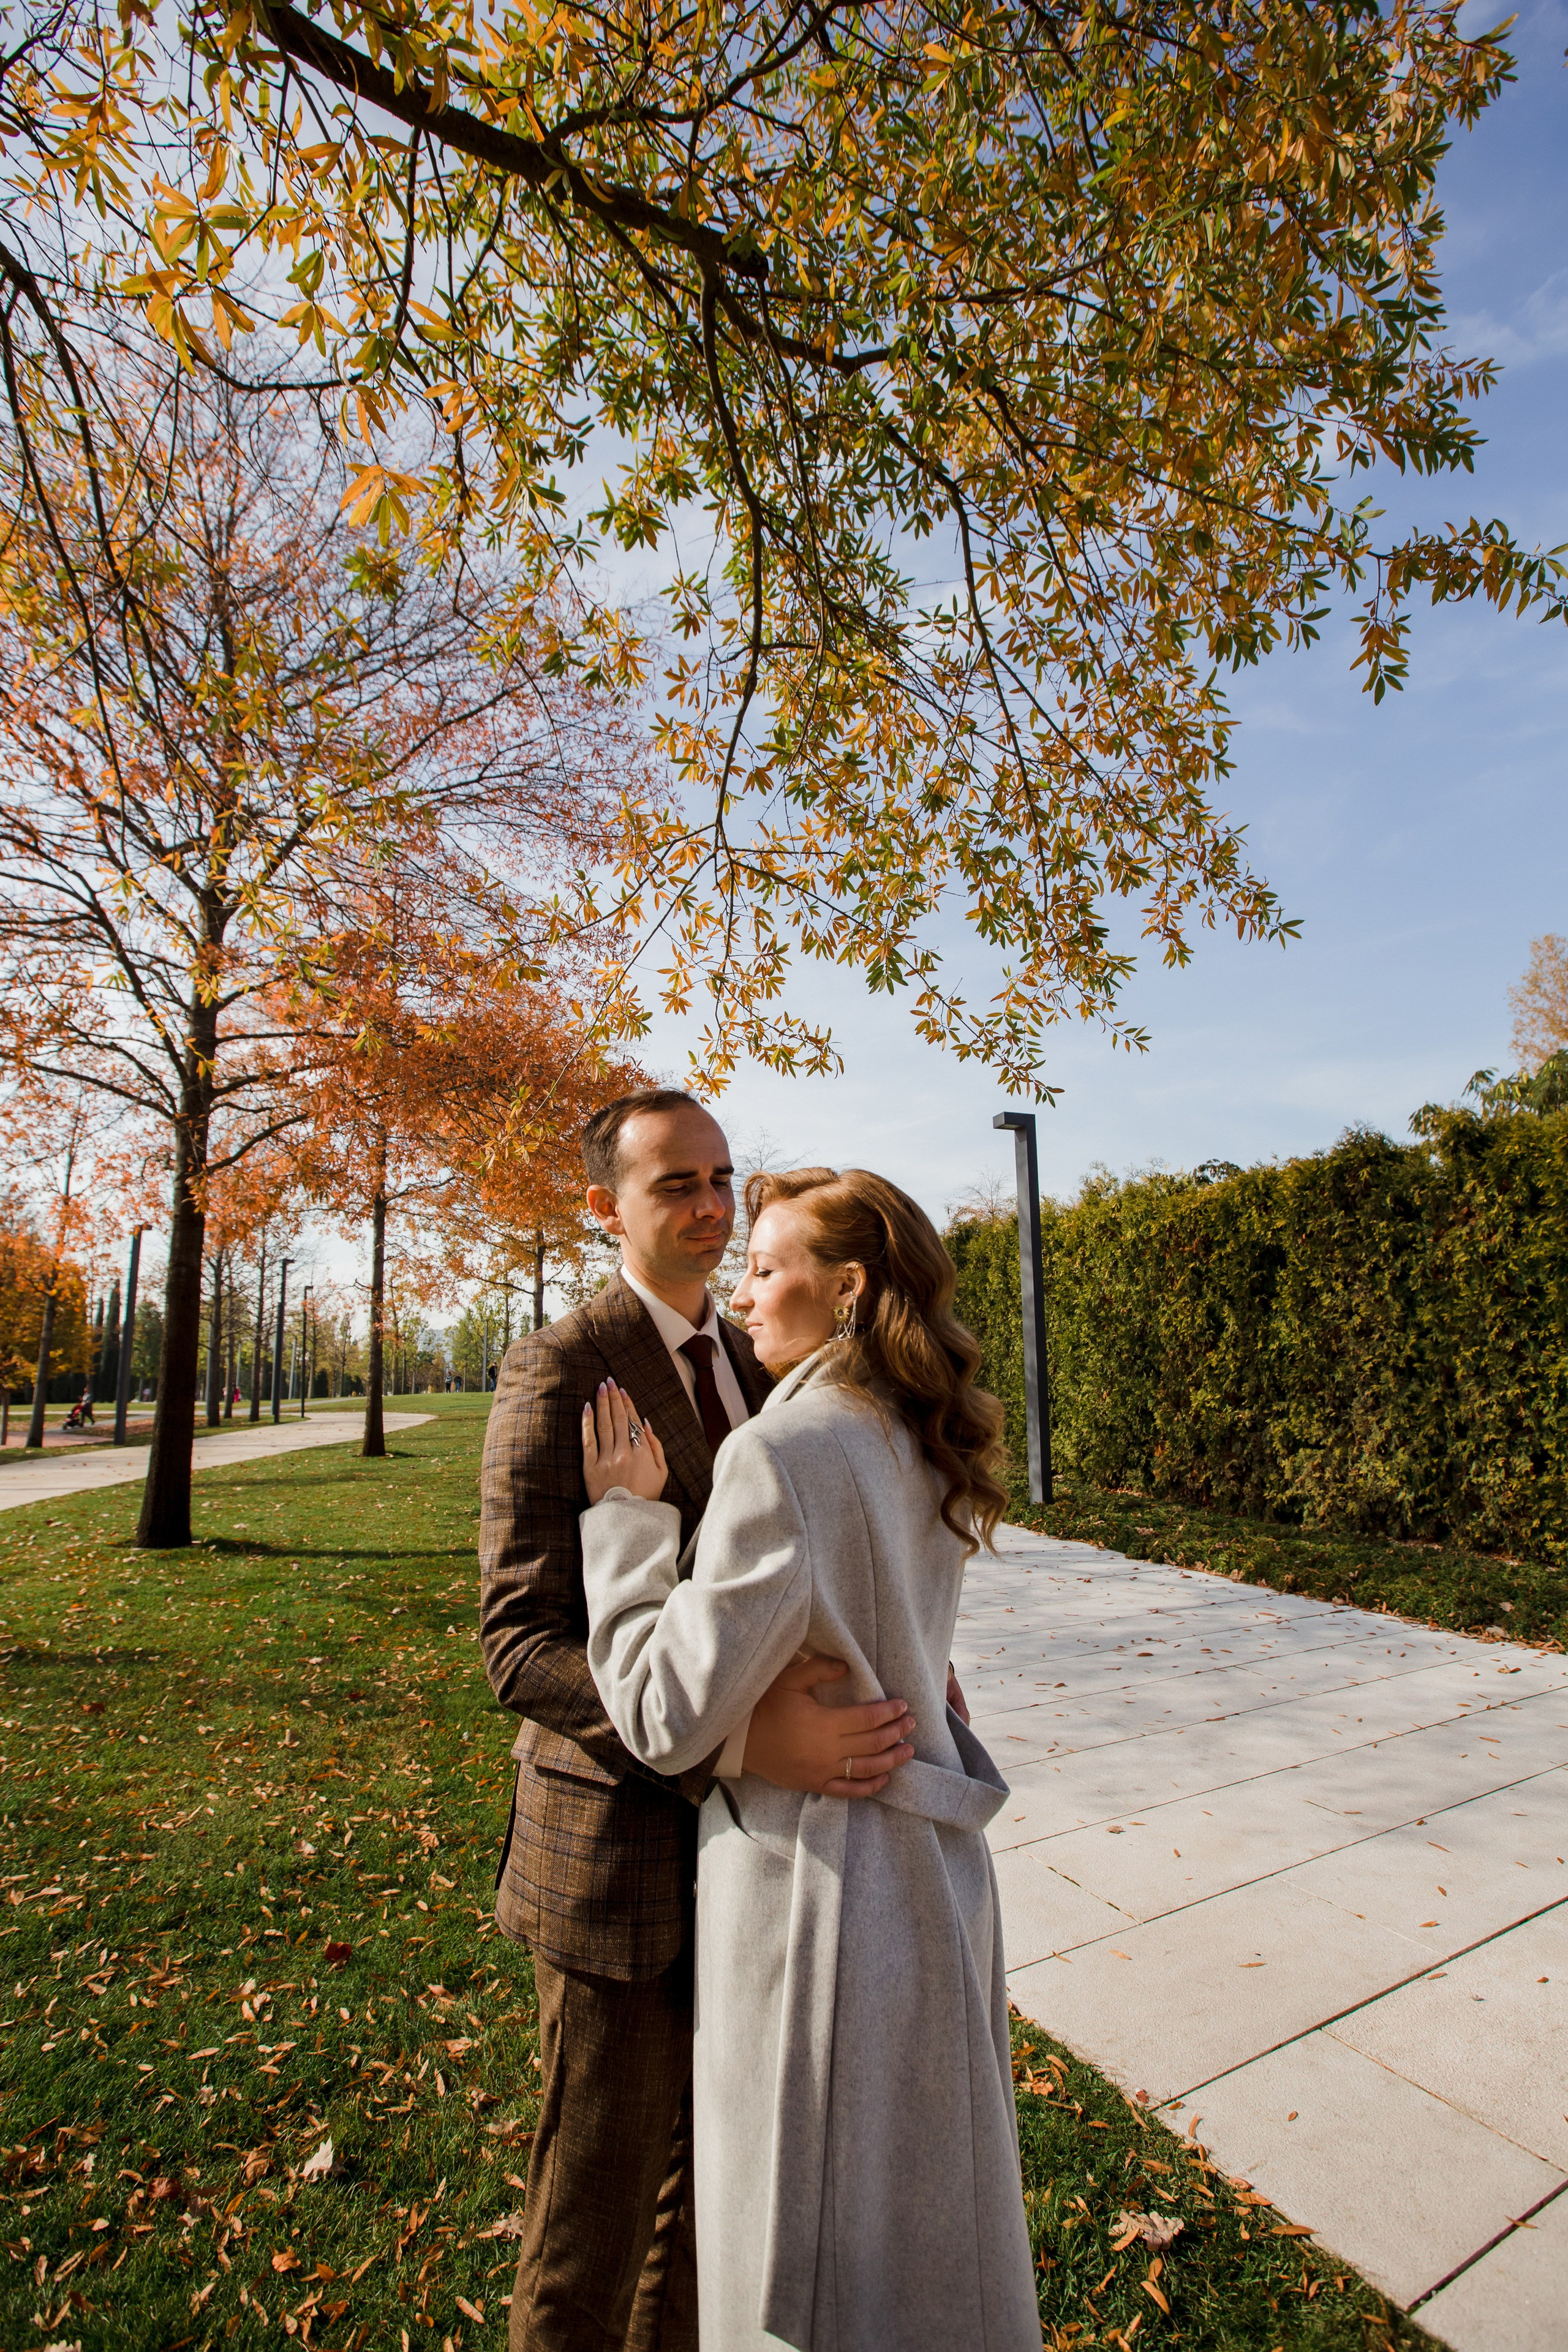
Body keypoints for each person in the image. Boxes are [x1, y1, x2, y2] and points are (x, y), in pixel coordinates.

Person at [480, 1093, 920, 2352]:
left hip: (755, 1866)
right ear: (603, 1205)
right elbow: (517, 1642)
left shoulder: (758, 1352)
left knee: (709, 2214)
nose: (710, 1205)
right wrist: (729, 1740)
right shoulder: (560, 1365)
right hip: (613, 1865)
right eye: (674, 1182)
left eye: (721, 1177)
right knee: (594, 2224)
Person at [579, 1166, 1042, 2352]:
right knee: (920, 2248)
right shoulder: (915, 1430)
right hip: (927, 1886)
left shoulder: (783, 1453)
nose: (741, 1292)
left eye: (766, 1266)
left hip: (816, 1895)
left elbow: (663, 1710)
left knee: (808, 2256)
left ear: (845, 1289)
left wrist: (627, 1526)